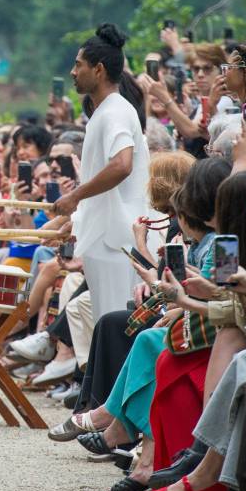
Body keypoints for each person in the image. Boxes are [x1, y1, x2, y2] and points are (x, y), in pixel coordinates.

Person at [53, 23, 151, 320]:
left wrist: (74, 197)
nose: (73, 72)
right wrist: (75, 220)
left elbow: (122, 165)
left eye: (78, 65)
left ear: (98, 70)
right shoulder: (105, 112)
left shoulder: (116, 111)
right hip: (108, 241)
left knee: (115, 326)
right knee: (105, 325)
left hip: (118, 242)